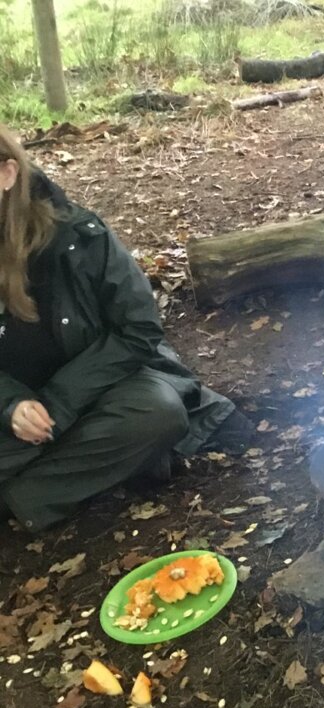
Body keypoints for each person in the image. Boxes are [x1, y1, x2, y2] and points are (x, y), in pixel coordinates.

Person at [0, 126, 252, 532]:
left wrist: (59, 404)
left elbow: (138, 329)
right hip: (16, 414)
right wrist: (11, 406)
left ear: (7, 174)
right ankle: (96, 467)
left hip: (100, 391)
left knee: (158, 413)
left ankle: (21, 499)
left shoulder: (77, 235)